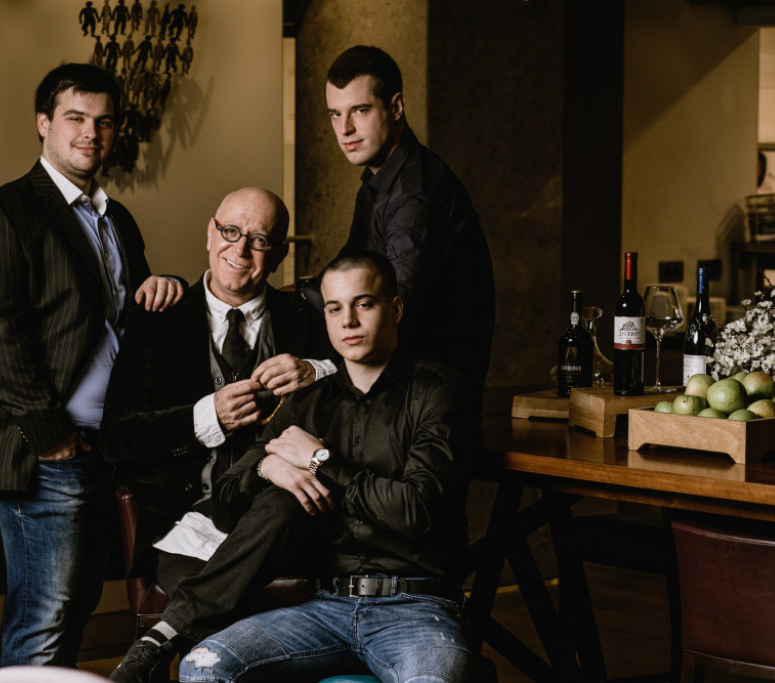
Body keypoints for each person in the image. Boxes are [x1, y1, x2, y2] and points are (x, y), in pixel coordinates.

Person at [0, 62, 183, 667]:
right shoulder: (6, 212)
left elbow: (126, 323)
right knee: (44, 619)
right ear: (44, 124)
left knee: (78, 608)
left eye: (104, 122)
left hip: (105, 448)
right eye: (76, 118)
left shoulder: (117, 220)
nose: (91, 133)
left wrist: (162, 286)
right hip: (46, 454)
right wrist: (50, 436)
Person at [180, 251, 479, 683]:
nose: (348, 322)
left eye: (364, 304)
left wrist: (320, 462)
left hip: (419, 608)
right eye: (335, 309)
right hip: (327, 607)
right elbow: (225, 506)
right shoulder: (306, 405)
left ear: (395, 309)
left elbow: (417, 511)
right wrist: (266, 468)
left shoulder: (439, 391)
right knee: (202, 667)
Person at [100, 187, 335, 683]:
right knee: (229, 607)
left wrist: (316, 369)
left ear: (279, 254)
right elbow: (117, 438)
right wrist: (203, 417)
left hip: (277, 518)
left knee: (232, 592)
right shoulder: (157, 318)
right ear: (210, 234)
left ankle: (159, 641)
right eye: (230, 231)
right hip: (187, 520)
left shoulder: (308, 319)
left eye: (259, 239)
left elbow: (370, 375)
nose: (240, 248)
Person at [314, 45, 495, 395]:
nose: (345, 129)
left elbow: (388, 317)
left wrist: (316, 367)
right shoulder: (378, 183)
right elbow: (342, 275)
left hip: (426, 400)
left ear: (396, 107)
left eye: (360, 110)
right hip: (397, 385)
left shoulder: (416, 195)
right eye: (335, 114)